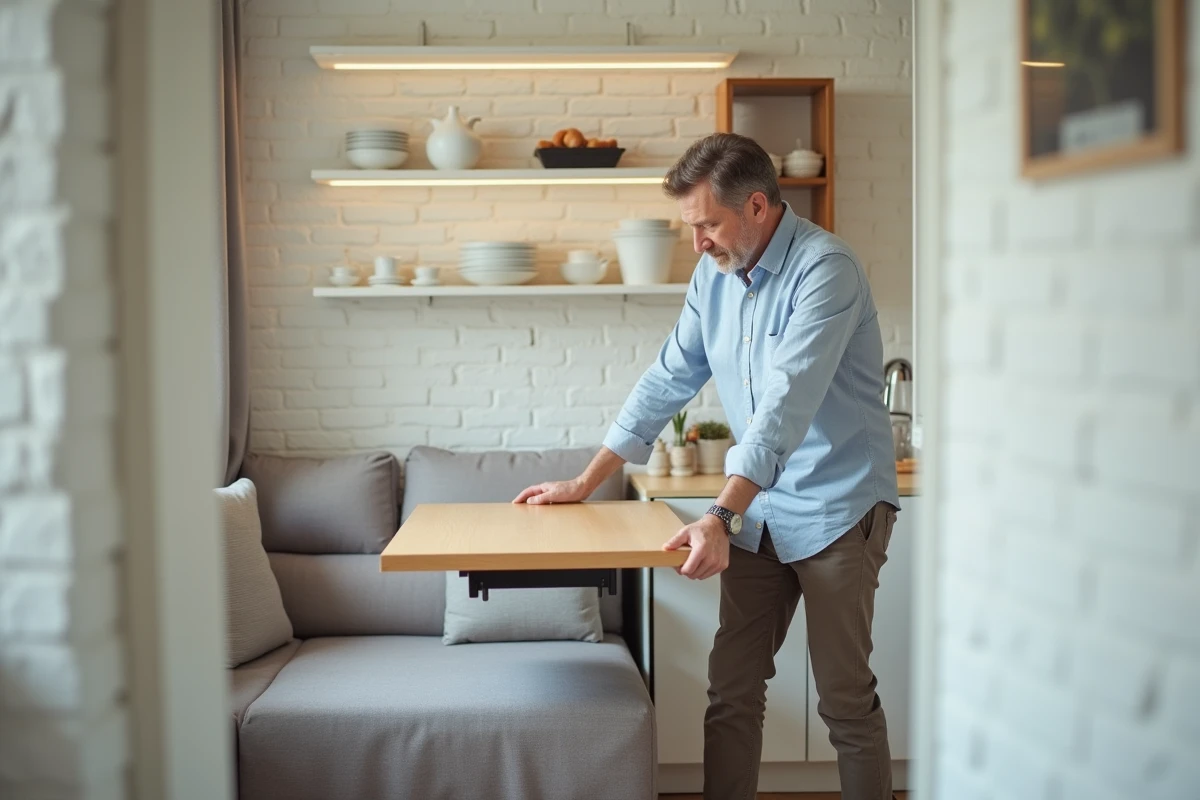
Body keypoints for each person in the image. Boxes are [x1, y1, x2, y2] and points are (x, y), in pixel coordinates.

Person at [513, 132, 900, 800]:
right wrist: (586, 481)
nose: (697, 243)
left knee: (844, 699)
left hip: (838, 507)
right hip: (758, 513)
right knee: (732, 692)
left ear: (756, 206)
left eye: (707, 225)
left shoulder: (825, 269)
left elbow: (786, 403)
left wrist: (720, 512)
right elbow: (667, 380)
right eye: (690, 227)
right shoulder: (712, 277)